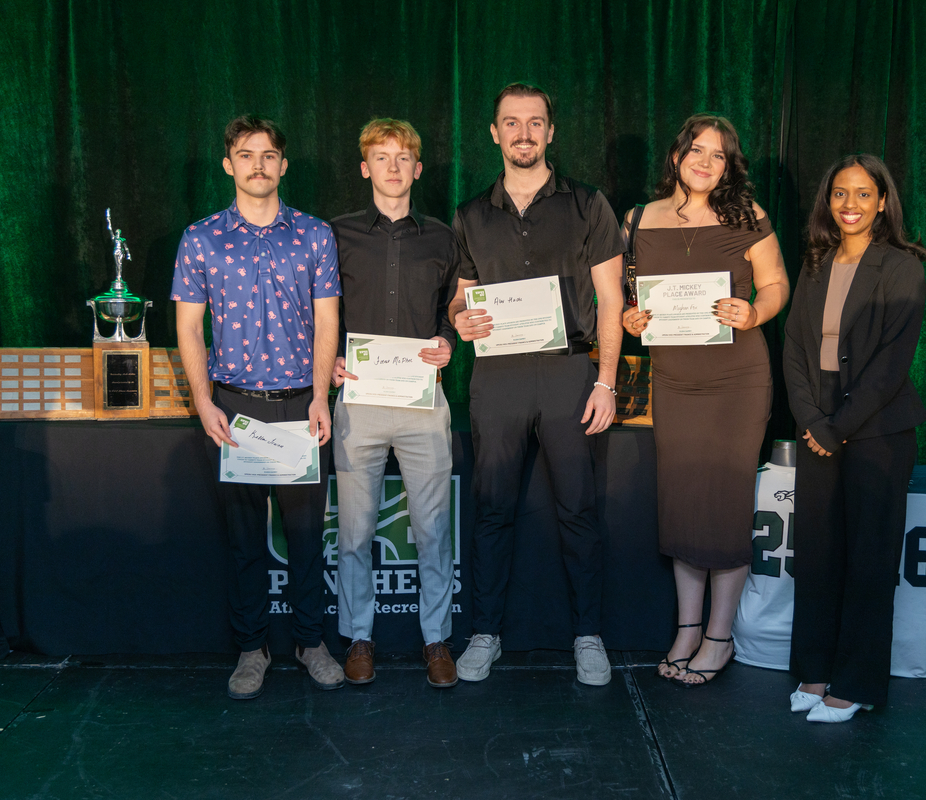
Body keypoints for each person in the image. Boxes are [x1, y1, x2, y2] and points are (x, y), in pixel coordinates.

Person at [447, 83, 625, 685]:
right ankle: (485, 633)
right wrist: (458, 317)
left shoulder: (588, 204)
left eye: (535, 122)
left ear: (551, 132)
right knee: (492, 508)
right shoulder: (470, 215)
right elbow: (461, 299)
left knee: (577, 507)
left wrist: (605, 381)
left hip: (570, 371)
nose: (524, 133)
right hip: (497, 374)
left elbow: (609, 298)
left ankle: (589, 636)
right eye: (511, 123)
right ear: (494, 133)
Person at [172, 115, 345, 699]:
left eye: (269, 155)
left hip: (300, 405)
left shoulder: (315, 235)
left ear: (284, 165)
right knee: (244, 537)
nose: (258, 165)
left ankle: (311, 641)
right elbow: (189, 329)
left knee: (304, 534)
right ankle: (252, 648)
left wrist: (322, 396)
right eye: (246, 155)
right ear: (229, 164)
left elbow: (328, 320)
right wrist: (203, 401)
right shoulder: (201, 238)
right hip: (234, 409)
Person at [623, 114, 789, 686]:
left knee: (724, 500)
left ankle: (719, 636)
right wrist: (631, 317)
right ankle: (687, 628)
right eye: (697, 150)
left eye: (718, 155)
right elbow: (627, 299)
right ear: (676, 155)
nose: (705, 162)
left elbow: (776, 285)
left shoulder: (749, 216)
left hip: (736, 380)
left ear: (728, 166)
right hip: (673, 381)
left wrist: (756, 312)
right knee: (682, 500)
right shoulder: (637, 219)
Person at [782, 153, 926, 722]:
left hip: (878, 432)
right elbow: (795, 347)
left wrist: (838, 428)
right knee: (817, 555)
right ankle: (815, 672)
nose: (850, 205)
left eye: (863, 194)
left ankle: (857, 682)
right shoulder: (816, 262)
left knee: (869, 559)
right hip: (818, 423)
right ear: (828, 202)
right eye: (840, 194)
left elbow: (891, 367)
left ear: (883, 202)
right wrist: (813, 422)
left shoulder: (901, 266)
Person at [330, 119, 460, 689]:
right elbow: (319, 311)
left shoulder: (443, 237)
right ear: (365, 168)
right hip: (356, 398)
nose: (391, 166)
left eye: (402, 157)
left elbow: (454, 308)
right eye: (381, 157)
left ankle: (436, 639)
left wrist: (450, 341)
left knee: (432, 529)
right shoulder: (333, 234)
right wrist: (329, 359)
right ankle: (359, 637)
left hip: (422, 399)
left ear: (417, 169)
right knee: (355, 530)